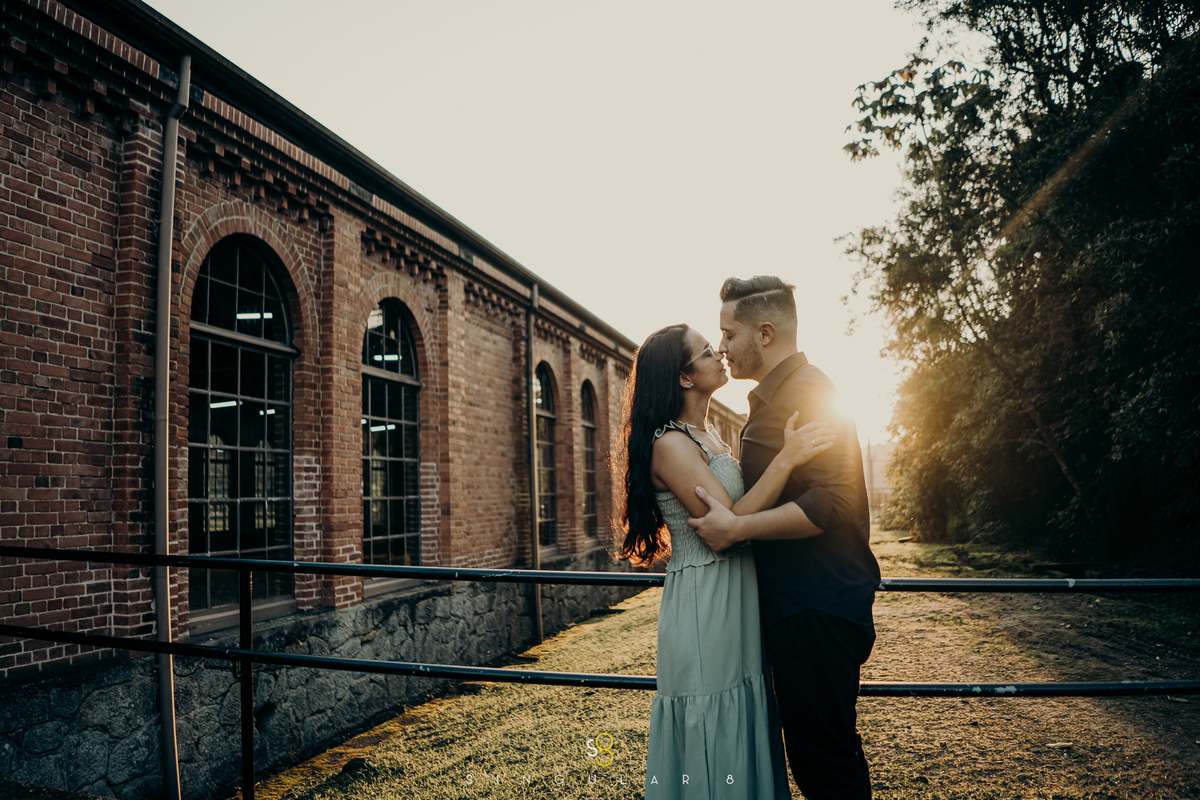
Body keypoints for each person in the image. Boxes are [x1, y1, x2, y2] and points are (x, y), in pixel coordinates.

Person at [616, 322, 836, 799]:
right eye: (705, 352)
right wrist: (788, 459)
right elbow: (729, 521)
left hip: (736, 590)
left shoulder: (709, 435)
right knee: (713, 714)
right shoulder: (670, 444)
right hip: (705, 599)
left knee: (745, 705)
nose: (719, 354)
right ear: (684, 377)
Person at [688, 275, 881, 800]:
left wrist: (738, 528)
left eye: (729, 334)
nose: (722, 346)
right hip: (801, 609)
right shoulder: (777, 396)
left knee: (825, 766)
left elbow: (833, 501)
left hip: (814, 608)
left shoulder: (808, 392)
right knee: (824, 759)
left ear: (765, 333)